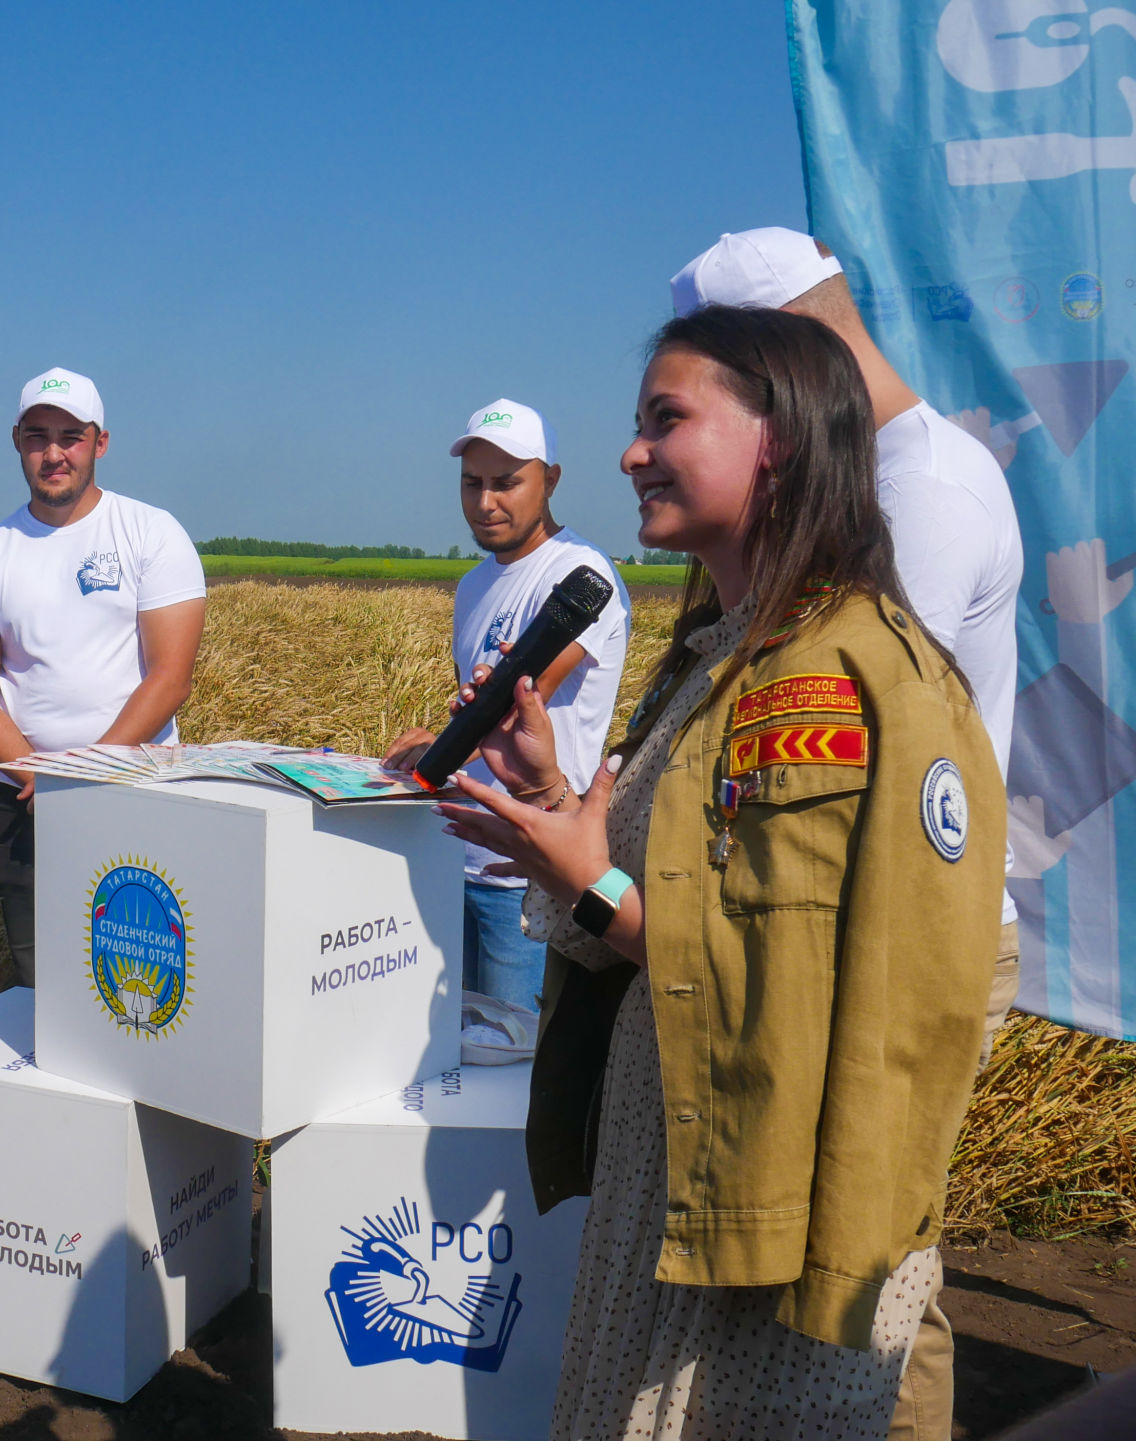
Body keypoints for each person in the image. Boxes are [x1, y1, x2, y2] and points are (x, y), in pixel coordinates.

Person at [434, 306, 1004, 1438]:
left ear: (778, 438)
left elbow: (837, 984)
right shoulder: (723, 654)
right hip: (677, 1170)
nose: (630, 452)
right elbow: (683, 890)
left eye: (665, 419)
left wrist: (592, 882)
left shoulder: (848, 675)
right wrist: (556, 800)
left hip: (774, 1228)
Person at [673, 227, 1026, 1440]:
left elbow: (834, 750)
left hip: (891, 927)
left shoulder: (912, 489)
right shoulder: (887, 470)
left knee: (874, 1261)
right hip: (833, 913)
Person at [0, 367, 206, 984]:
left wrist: (84, 775)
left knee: (142, 972)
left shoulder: (151, 533)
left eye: (71, 436)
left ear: (101, 442)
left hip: (135, 785)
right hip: (20, 794)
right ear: (16, 440)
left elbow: (170, 677)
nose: (54, 452)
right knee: (44, 978)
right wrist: (37, 773)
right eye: (38, 436)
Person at [385, 399, 628, 1012]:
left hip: (527, 874)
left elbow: (514, 703)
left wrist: (435, 748)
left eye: (506, 482)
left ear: (550, 480)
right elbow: (473, 704)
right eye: (472, 483)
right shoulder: (472, 586)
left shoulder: (578, 575)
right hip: (454, 856)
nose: (486, 502)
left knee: (511, 1068)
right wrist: (436, 737)